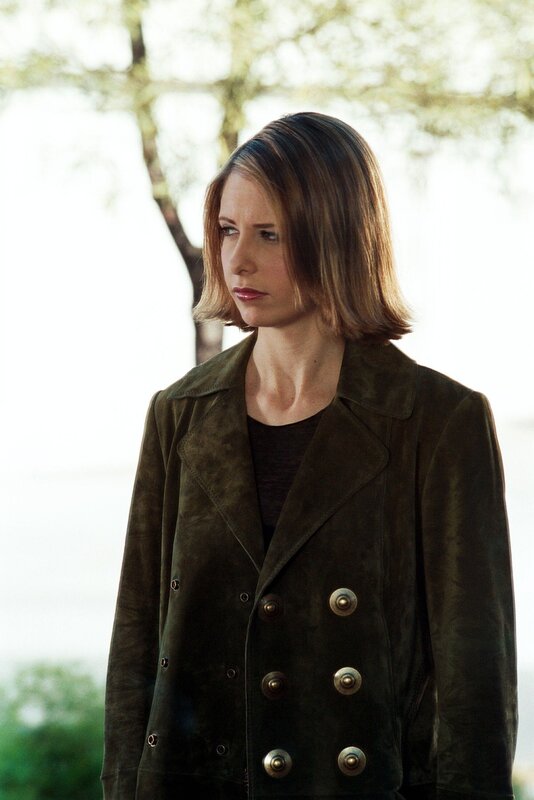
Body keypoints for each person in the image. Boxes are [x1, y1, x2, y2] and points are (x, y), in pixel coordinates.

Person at [101, 112, 517, 800]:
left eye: (270, 235)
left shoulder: (440, 422)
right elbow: (135, 654)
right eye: (227, 230)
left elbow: (475, 691)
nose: (237, 260)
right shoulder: (179, 414)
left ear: (339, 240)